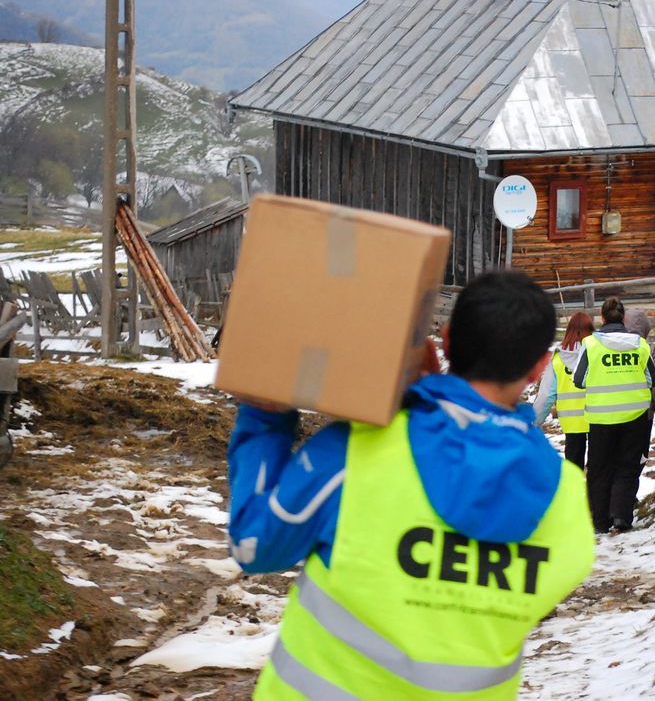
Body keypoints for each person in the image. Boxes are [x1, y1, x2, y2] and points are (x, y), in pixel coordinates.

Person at [227, 270, 596, 700]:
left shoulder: (357, 451)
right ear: (537, 368)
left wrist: (264, 417)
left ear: (446, 340)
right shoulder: (566, 498)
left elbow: (254, 546)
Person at [572, 296, 655, 533]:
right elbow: (654, 379)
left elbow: (579, 381)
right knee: (627, 466)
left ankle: (600, 522)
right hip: (634, 416)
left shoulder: (590, 344)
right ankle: (621, 516)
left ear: (602, 318)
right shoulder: (640, 346)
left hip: (601, 417)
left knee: (599, 469)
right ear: (623, 318)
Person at [532, 311, 594, 469]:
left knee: (574, 469)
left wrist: (534, 422)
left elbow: (546, 395)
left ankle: (575, 493)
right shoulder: (596, 354)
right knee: (598, 469)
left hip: (571, 422)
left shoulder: (558, 360)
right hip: (596, 418)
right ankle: (596, 494)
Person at [623, 308, 655, 459]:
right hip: (643, 411)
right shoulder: (650, 349)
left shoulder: (614, 348)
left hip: (615, 412)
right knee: (640, 455)